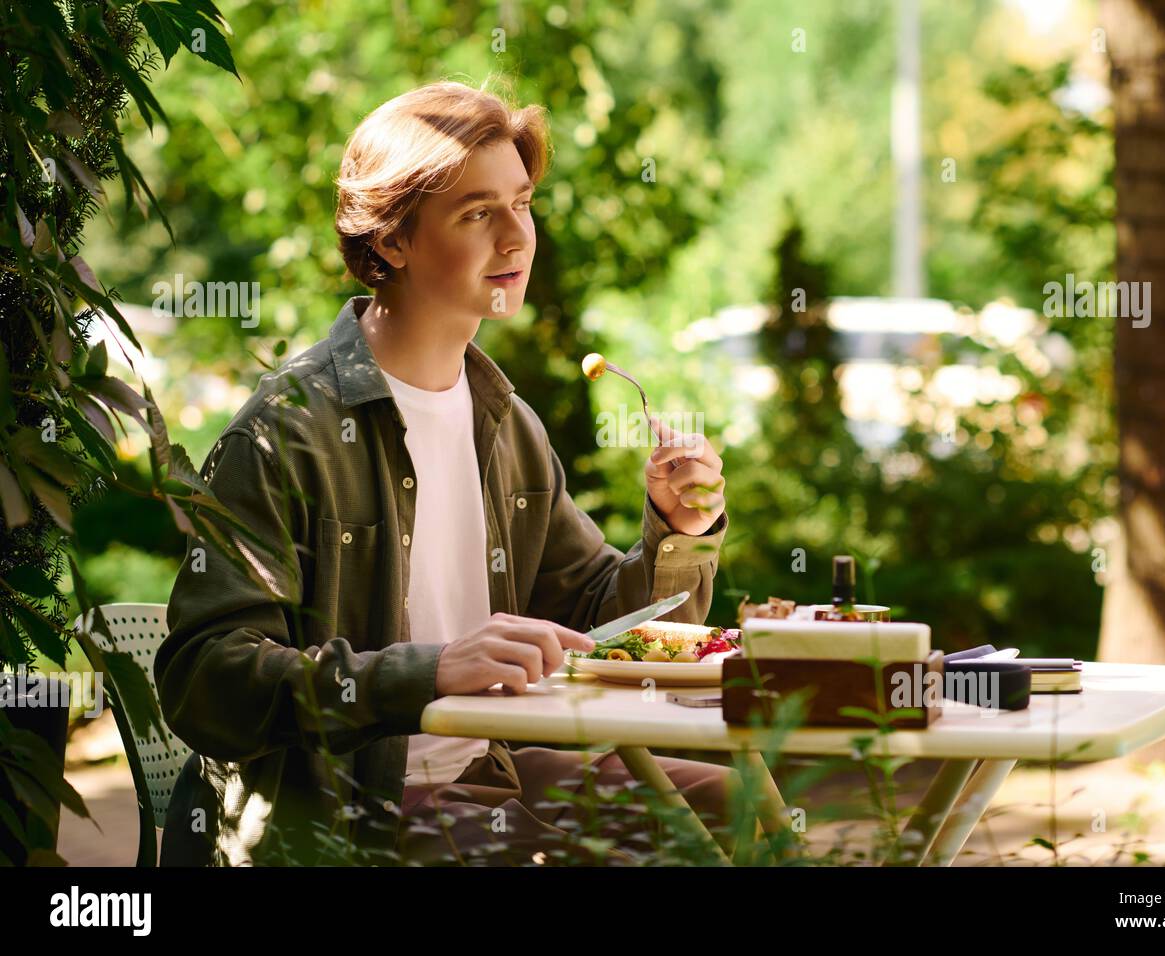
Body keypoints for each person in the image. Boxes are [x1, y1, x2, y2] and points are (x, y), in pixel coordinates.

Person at [155, 79, 736, 866]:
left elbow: (604, 623)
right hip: (351, 811)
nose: (517, 238)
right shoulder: (288, 432)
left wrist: (681, 529)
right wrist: (426, 673)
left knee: (734, 811)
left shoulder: (506, 424)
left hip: (486, 776)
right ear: (392, 241)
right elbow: (203, 679)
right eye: (477, 212)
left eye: (522, 204)